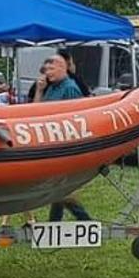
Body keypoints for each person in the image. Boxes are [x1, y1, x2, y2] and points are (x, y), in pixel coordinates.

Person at [37, 55, 93, 222]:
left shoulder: (70, 89)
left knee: (61, 189)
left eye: (51, 69)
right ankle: (56, 223)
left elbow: (77, 118)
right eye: (46, 70)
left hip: (64, 145)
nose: (48, 73)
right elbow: (36, 111)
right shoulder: (51, 88)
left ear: (63, 68)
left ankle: (84, 220)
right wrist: (39, 90)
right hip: (52, 142)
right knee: (59, 189)